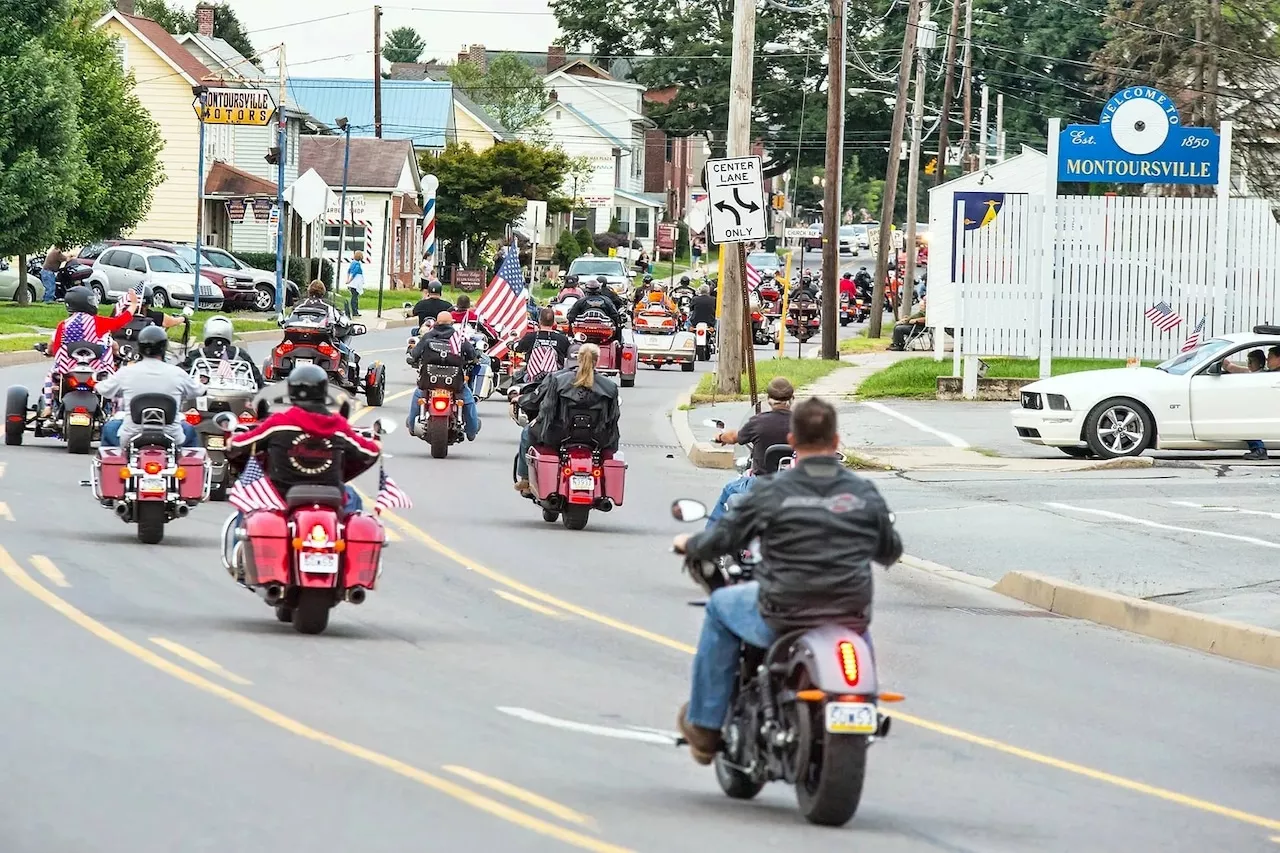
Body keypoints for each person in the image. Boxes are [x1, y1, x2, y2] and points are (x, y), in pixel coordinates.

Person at [672, 397, 902, 763]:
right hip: (848, 609)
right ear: (837, 441)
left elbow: (723, 538)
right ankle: (866, 706)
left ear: (793, 441)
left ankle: (705, 724)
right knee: (858, 633)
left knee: (718, 607)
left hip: (783, 609)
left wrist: (689, 543)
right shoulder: (864, 493)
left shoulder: (771, 490)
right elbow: (890, 551)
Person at [224, 365, 380, 555]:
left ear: (291, 391)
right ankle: (350, 552)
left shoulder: (279, 423)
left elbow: (237, 447)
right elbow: (370, 453)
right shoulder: (338, 426)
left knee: (247, 496)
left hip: (281, 494)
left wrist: (231, 441)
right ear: (324, 391)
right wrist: (345, 473)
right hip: (331, 493)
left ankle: (240, 559)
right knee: (353, 498)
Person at [513, 343, 621, 496]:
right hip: (597, 439)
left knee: (526, 433)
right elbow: (613, 417)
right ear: (597, 360)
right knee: (614, 439)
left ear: (578, 358)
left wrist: (526, 407)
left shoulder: (558, 379)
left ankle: (525, 478)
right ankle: (606, 479)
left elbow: (544, 406)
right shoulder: (610, 386)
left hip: (558, 435)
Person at [96, 326, 204, 448]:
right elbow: (198, 390)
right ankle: (189, 466)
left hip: (131, 437)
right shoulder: (178, 373)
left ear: (140, 347)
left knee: (110, 427)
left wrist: (99, 382)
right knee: (190, 430)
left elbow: (104, 390)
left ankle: (112, 466)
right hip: (173, 437)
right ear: (164, 348)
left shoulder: (126, 372)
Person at [39, 286, 137, 417]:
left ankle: (48, 407)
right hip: (97, 370)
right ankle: (116, 413)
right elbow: (119, 322)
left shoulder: (63, 325)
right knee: (117, 386)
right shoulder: (98, 322)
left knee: (50, 377)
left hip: (68, 370)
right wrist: (134, 305)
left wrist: (48, 351)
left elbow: (55, 348)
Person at [708, 378, 795, 523]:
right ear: (792, 399)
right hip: (795, 485)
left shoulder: (758, 422)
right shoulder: (804, 424)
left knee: (729, 489)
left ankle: (710, 541)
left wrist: (720, 437)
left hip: (761, 484)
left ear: (769, 400)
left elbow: (735, 437)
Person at [406, 311, 481, 440]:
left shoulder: (427, 337)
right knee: (468, 400)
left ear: (436, 323)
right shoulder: (459, 338)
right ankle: (471, 430)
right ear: (452, 323)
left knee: (418, 395)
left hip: (429, 382)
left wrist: (413, 358)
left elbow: (414, 354)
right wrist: (474, 359)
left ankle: (412, 426)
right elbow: (472, 355)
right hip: (454, 383)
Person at [180, 315, 266, 388]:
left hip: (202, 398)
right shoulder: (240, 353)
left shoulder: (197, 354)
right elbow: (256, 377)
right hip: (236, 397)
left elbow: (180, 373)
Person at [1225, 348, 1270, 459]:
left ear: (1260, 363)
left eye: (1252, 361)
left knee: (1245, 421)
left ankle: (1259, 449)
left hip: (1258, 410)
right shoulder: (1252, 373)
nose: (1249, 364)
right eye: (1248, 361)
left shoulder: (1263, 376)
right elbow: (1231, 368)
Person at [514, 308, 571, 381]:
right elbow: (568, 354)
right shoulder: (562, 339)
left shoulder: (530, 337)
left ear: (539, 321)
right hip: (556, 379)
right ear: (554, 322)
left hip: (531, 380)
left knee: (516, 377)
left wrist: (511, 344)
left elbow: (518, 348)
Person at [344, 250, 365, 317]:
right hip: (356, 283)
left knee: (354, 296)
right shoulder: (357, 264)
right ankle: (355, 311)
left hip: (352, 283)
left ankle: (354, 311)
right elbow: (355, 273)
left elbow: (348, 271)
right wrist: (350, 280)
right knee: (355, 298)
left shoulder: (352, 263)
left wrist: (347, 279)